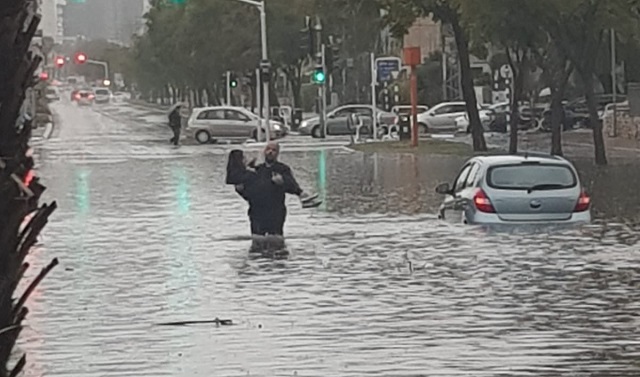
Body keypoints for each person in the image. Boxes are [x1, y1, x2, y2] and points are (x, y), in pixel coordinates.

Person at [227, 142, 318, 237]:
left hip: (276, 211)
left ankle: (303, 196)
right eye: (268, 149)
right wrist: (240, 190)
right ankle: (303, 196)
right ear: (264, 151)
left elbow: (291, 185)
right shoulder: (257, 170)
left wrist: (282, 182)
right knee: (257, 239)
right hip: (257, 211)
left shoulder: (282, 169)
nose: (270, 152)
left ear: (278, 153)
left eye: (274, 150)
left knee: (276, 239)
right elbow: (249, 194)